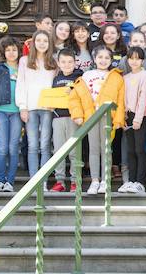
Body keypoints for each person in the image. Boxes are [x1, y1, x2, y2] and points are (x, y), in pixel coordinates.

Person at [69, 46, 125, 194]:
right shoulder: (87, 75)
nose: (103, 60)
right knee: (93, 149)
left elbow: (121, 100)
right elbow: (75, 97)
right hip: (91, 116)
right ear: (94, 59)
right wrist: (78, 115)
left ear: (111, 60)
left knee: (106, 149)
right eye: (100, 57)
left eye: (107, 58)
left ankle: (105, 181)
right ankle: (95, 181)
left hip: (107, 116)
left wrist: (119, 119)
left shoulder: (116, 77)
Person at [16, 30, 56, 182]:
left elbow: (55, 85)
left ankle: (44, 181)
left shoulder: (53, 61)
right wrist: (22, 107)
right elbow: (21, 85)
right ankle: (34, 181)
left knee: (45, 145)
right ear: (33, 43)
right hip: (30, 108)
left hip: (47, 108)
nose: (41, 43)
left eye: (45, 41)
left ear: (49, 44)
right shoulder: (25, 61)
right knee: (32, 145)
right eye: (38, 40)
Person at [0, 36, 23, 192]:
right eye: (8, 50)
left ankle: (10, 182)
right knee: (2, 147)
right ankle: (0, 181)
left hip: (17, 113)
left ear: (18, 51)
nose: (11, 53)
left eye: (14, 49)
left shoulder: (24, 68)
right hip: (1, 112)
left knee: (13, 147)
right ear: (3, 52)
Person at [119, 46, 146, 194]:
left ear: (142, 60)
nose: (134, 61)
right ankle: (131, 180)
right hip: (128, 116)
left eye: (137, 58)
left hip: (141, 116)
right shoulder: (125, 77)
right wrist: (124, 117)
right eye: (131, 58)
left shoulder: (145, 75)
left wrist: (138, 119)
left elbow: (143, 97)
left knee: (139, 149)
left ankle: (140, 181)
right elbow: (123, 100)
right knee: (130, 150)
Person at [49, 48, 81, 192]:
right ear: (59, 63)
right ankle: (60, 181)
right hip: (57, 117)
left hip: (73, 117)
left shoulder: (79, 78)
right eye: (63, 62)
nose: (67, 65)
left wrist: (74, 90)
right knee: (58, 150)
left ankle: (75, 181)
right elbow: (52, 97)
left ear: (75, 62)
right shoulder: (56, 79)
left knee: (74, 151)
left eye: (70, 62)